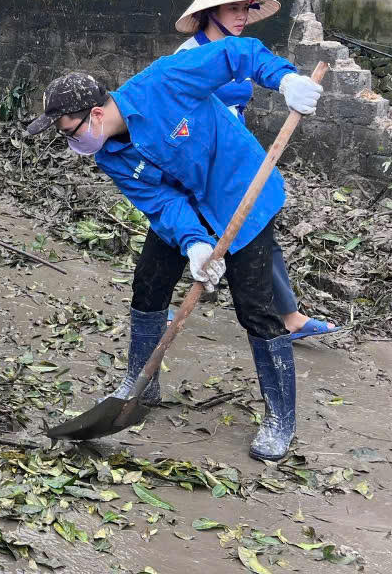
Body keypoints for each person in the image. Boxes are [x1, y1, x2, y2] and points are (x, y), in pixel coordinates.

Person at [24, 40, 324, 461]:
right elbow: (161, 202)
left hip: (241, 196)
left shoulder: (165, 81)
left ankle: (280, 418)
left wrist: (284, 79)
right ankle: (141, 383)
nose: (71, 143)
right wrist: (194, 243)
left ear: (95, 114)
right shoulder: (109, 154)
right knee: (149, 282)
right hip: (189, 209)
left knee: (255, 306)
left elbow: (235, 55)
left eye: (69, 132)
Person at [175, 0, 340, 343]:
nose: (242, 16)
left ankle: (288, 315)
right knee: (182, 232)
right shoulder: (188, 57)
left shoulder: (239, 47)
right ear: (209, 13)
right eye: (233, 8)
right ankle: (158, 307)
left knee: (255, 226)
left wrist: (288, 82)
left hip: (236, 152)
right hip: (201, 158)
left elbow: (259, 64)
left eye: (246, 8)